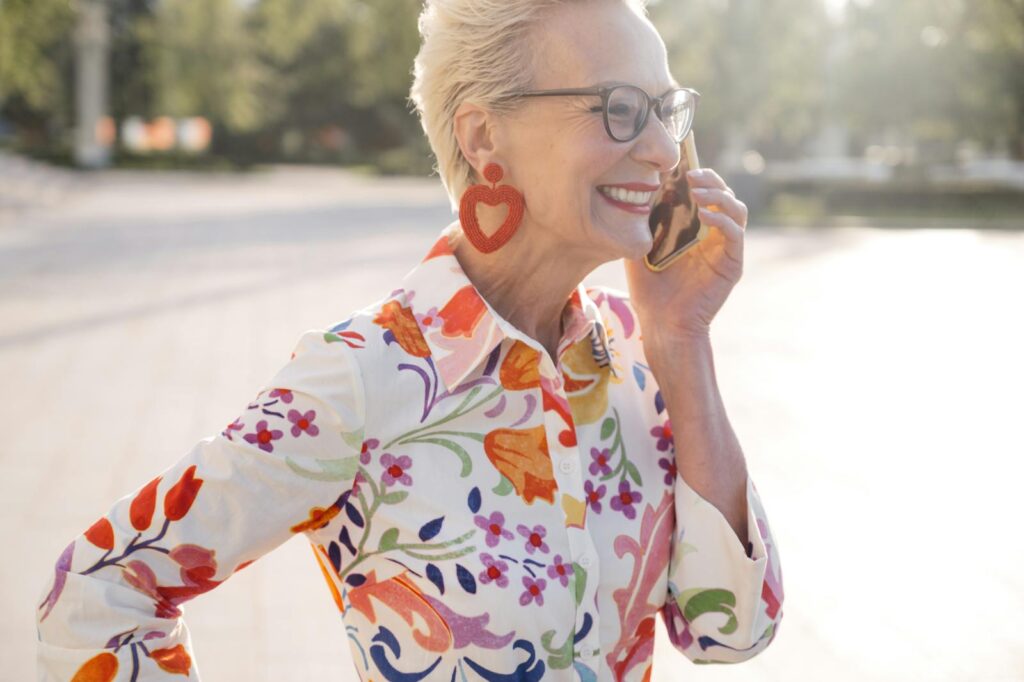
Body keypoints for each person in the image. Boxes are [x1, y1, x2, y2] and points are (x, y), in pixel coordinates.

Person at [35, 0, 785, 679]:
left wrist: (681, 341)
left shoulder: (637, 354)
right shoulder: (365, 375)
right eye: (620, 108)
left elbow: (733, 631)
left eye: (666, 109)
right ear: (485, 134)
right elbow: (100, 590)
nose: (661, 149)